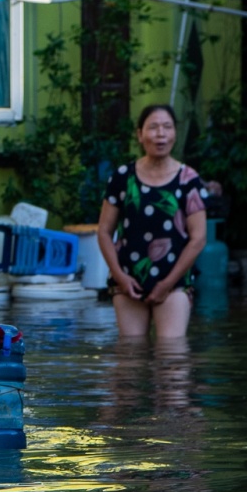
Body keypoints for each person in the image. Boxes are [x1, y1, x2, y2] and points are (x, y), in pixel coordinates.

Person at [97, 104, 209, 339]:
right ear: (140, 134)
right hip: (128, 279)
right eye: (153, 127)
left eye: (167, 127)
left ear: (174, 134)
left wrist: (167, 283)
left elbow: (198, 238)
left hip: (174, 280)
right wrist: (119, 276)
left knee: (171, 359)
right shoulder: (122, 177)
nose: (160, 134)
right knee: (130, 356)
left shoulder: (189, 180)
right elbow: (104, 231)